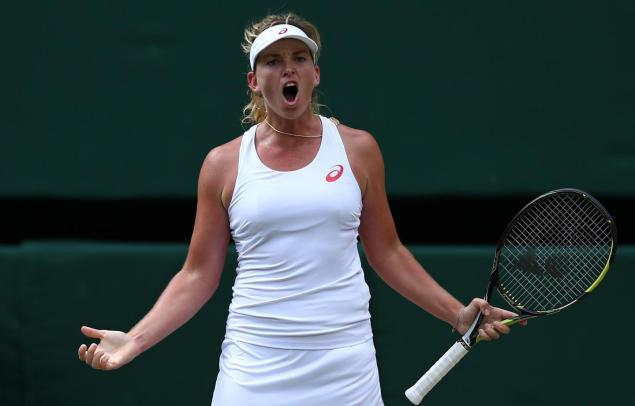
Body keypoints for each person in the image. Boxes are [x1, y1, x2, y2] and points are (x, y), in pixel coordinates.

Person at [78, 12, 520, 405]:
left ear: (315, 74)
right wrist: (133, 340)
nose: (288, 67)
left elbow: (387, 251)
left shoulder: (358, 150)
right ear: (254, 81)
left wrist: (457, 314)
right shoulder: (222, 165)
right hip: (253, 366)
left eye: (299, 58)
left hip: (345, 368)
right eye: (272, 61)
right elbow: (197, 275)